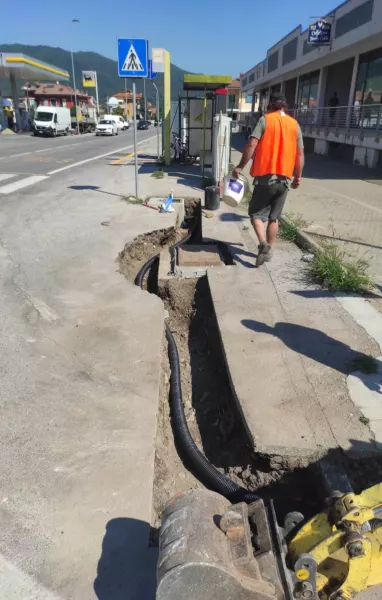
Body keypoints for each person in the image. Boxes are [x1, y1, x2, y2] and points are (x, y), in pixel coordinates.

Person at [233, 92, 304, 266]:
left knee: (255, 214)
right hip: (285, 180)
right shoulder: (295, 124)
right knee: (274, 218)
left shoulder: (265, 120)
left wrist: (240, 167)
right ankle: (268, 251)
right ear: (285, 106)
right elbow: (300, 154)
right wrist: (297, 177)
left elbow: (251, 145)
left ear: (270, 104)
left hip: (266, 178)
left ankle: (263, 244)